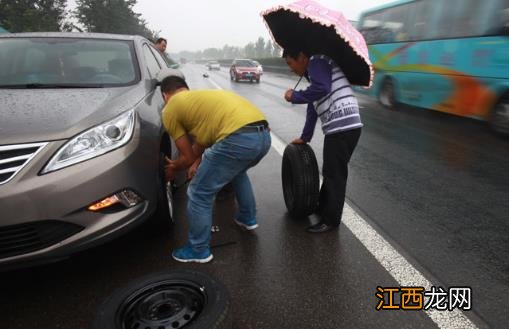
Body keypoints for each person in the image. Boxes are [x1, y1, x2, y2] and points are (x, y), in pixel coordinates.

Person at [161, 72, 271, 263]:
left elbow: (186, 157)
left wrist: (173, 168)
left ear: (165, 95)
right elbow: (198, 148)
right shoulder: (200, 101)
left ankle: (198, 250)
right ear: (184, 89)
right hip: (263, 137)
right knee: (237, 172)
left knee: (198, 192)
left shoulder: (170, 108)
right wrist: (195, 162)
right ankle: (247, 218)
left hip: (237, 138)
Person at [283, 48, 362, 233]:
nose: (290, 68)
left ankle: (331, 220)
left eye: (290, 63)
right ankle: (323, 207)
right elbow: (313, 108)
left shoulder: (317, 61)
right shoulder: (315, 73)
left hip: (343, 126)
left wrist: (295, 96)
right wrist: (305, 137)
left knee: (335, 175)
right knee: (331, 171)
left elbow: (323, 89)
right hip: (344, 127)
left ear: (301, 57)